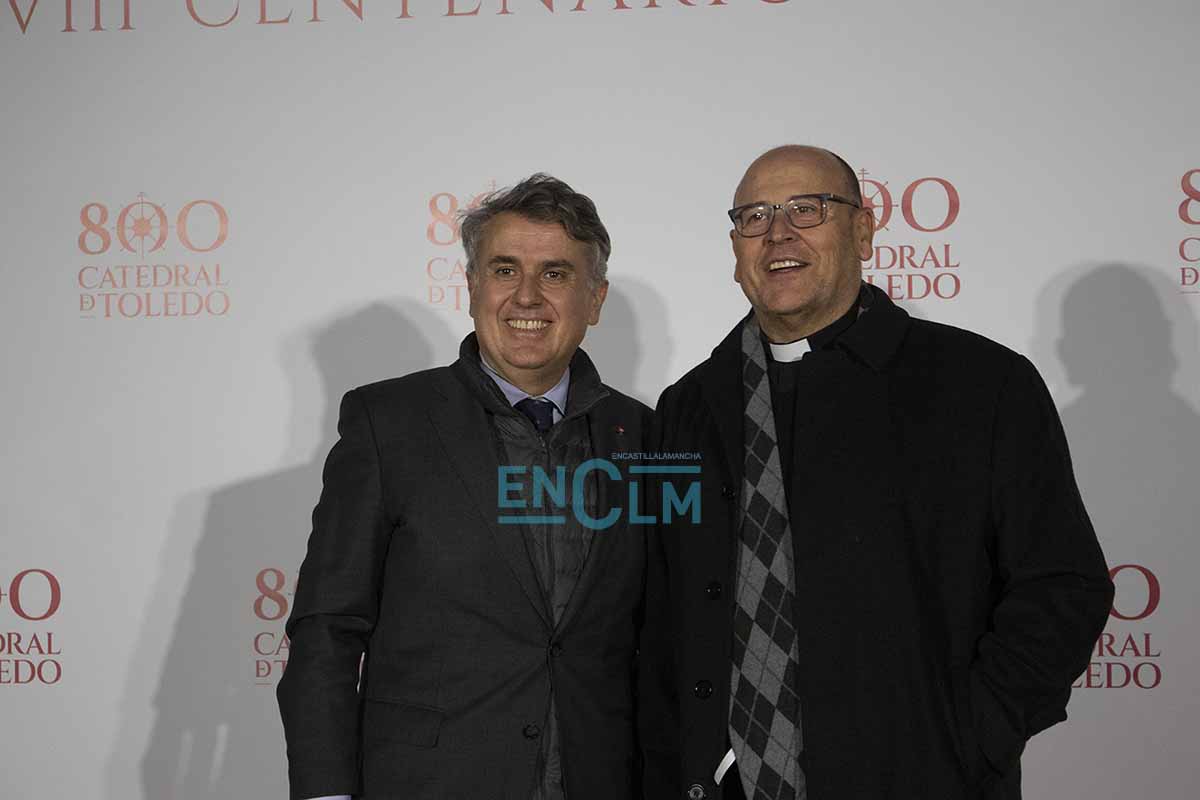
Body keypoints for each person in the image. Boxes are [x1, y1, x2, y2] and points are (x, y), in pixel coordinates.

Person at [640, 146, 1114, 800]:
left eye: (807, 209)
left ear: (862, 231)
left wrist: (969, 739)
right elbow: (663, 607)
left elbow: (1062, 585)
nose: (779, 233)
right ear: (736, 248)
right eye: (755, 217)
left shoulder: (984, 385)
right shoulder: (688, 407)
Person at [278, 174, 652, 800]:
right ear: (474, 285)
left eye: (556, 274)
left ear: (595, 299)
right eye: (505, 270)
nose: (527, 297)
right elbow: (327, 628)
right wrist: (326, 792)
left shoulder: (644, 433)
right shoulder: (388, 423)